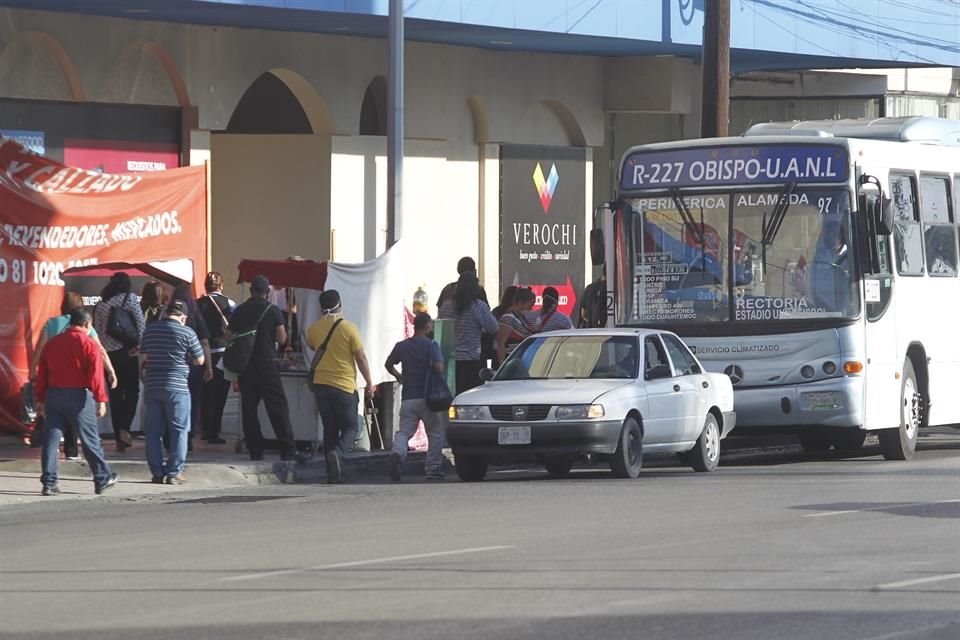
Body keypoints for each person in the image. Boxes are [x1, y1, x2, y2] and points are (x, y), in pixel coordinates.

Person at [35, 309, 118, 496]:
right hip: (79, 397)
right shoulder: (89, 344)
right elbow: (96, 376)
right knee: (89, 439)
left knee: (51, 440)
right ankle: (102, 478)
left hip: (54, 395)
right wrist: (101, 399)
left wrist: (40, 398)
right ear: (87, 325)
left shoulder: (52, 343)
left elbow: (42, 374)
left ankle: (49, 482)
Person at [30, 292, 117, 457]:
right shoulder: (84, 327)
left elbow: (40, 350)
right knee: (75, 414)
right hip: (77, 379)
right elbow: (100, 350)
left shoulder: (51, 323)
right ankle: (71, 449)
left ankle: (51, 454)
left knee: (54, 418)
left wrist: (32, 370)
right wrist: (111, 370)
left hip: (53, 377)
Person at [305, 289, 376, 484]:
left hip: (320, 384)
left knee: (330, 427)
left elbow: (312, 345)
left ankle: (332, 473)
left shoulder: (313, 329)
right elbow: (360, 357)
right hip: (343, 386)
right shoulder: (349, 328)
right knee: (351, 427)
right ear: (340, 305)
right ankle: (337, 454)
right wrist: (369, 382)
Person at [227, 275, 297, 461]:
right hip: (267, 364)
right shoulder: (272, 310)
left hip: (246, 365)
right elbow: (281, 338)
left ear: (251, 290)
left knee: (249, 409)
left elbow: (228, 336)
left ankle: (255, 450)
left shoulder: (240, 310)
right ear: (267, 292)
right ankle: (287, 449)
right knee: (277, 407)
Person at [139, 300, 205, 485]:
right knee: (179, 430)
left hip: (152, 384)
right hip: (177, 387)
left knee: (153, 432)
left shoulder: (150, 330)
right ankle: (174, 472)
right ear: (183, 316)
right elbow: (200, 360)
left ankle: (157, 472)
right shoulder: (187, 332)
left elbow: (143, 357)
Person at [385, 312, 446, 481]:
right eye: (431, 325)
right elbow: (439, 368)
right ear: (427, 327)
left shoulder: (402, 346)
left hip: (408, 397)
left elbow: (388, 364)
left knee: (404, 431)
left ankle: (397, 453)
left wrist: (398, 376)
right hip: (428, 398)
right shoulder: (432, 345)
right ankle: (433, 468)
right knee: (435, 432)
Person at [93, 272, 146, 452]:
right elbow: (141, 324)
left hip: (109, 355)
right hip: (128, 352)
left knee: (115, 395)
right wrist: (139, 347)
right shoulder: (130, 299)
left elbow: (99, 332)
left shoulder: (101, 304)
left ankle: (118, 437)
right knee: (132, 392)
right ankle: (125, 428)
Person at [438, 272, 499, 394]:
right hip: (470, 360)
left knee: (451, 396)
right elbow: (494, 328)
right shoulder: (479, 307)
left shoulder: (446, 305)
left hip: (449, 360)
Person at [170, 285, 213, 451]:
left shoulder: (165, 314)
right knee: (193, 401)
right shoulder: (195, 314)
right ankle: (187, 437)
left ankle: (171, 436)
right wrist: (209, 367)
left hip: (171, 366)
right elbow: (204, 342)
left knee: (172, 402)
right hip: (192, 365)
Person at [196, 271, 235, 444]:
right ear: (221, 285)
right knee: (219, 394)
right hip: (221, 351)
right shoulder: (229, 303)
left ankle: (203, 428)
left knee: (203, 393)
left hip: (200, 353)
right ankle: (214, 430)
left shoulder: (196, 304)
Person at [495, 287, 535, 367]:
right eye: (529, 305)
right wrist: (502, 365)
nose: (531, 308)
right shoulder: (508, 318)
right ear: (520, 302)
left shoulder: (521, 318)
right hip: (511, 360)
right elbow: (501, 342)